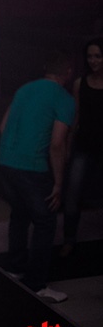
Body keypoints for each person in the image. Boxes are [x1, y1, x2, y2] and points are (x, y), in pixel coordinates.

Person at [0, 49, 74, 303]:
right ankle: (37, 284)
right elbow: (57, 144)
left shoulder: (24, 89)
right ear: (68, 73)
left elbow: (2, 127)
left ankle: (15, 268)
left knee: (19, 215)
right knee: (45, 222)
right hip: (31, 166)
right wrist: (59, 183)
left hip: (5, 160)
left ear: (45, 69)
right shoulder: (64, 99)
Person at [61, 37, 103, 257]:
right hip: (84, 145)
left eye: (98, 56)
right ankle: (69, 239)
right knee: (72, 193)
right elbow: (75, 117)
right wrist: (68, 146)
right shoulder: (80, 83)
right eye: (90, 56)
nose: (93, 60)